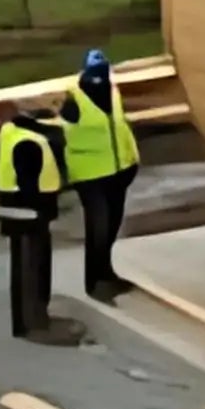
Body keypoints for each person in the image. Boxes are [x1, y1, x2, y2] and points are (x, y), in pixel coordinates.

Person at [55, 49, 139, 301]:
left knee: (112, 224)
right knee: (98, 227)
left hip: (118, 170)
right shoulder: (73, 101)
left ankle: (106, 273)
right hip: (90, 176)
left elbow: (121, 128)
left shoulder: (112, 92)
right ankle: (94, 282)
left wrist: (132, 160)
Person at [0, 105, 78, 344]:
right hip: (27, 217)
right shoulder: (29, 144)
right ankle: (32, 326)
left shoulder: (17, 134)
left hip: (26, 215)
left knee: (35, 268)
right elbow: (29, 185)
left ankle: (38, 318)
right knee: (31, 271)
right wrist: (44, 207)